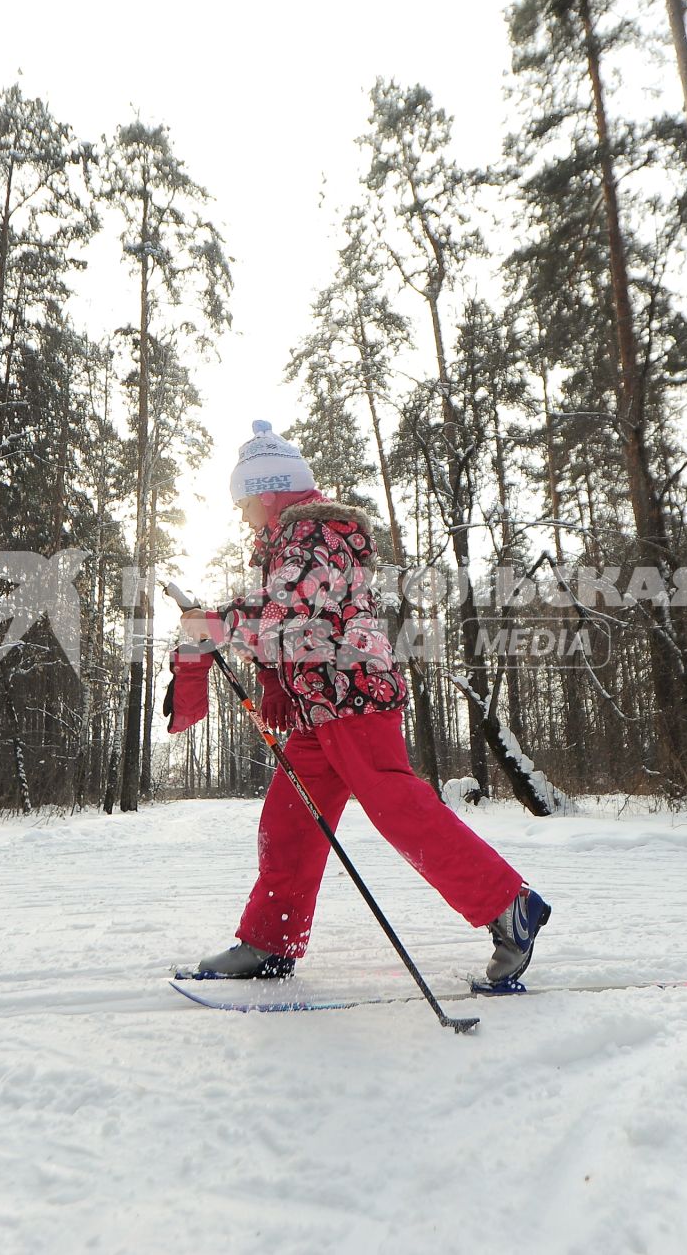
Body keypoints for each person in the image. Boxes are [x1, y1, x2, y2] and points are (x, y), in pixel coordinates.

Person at [176, 420, 550, 988]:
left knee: (398, 809)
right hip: (318, 705)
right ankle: (270, 941)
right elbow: (285, 617)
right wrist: (269, 673)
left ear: (268, 489)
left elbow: (296, 618)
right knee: (289, 822)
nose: (242, 512)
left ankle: (509, 905)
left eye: (244, 499)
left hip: (354, 697)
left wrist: (217, 624)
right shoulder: (290, 542)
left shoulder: (315, 539)